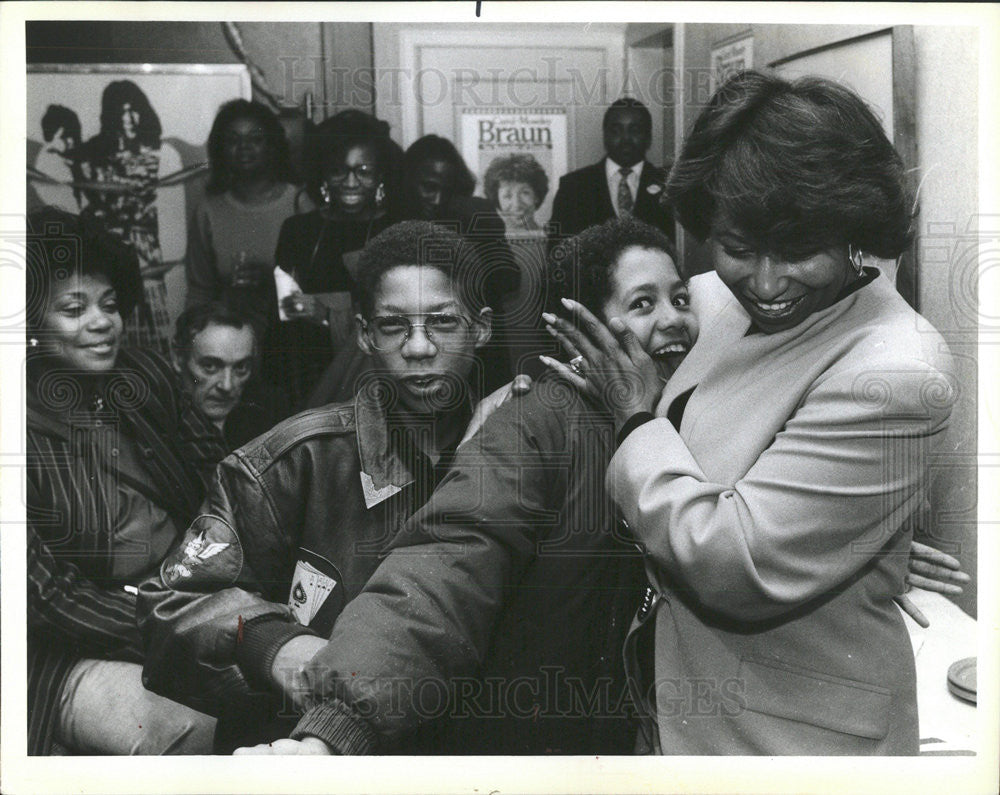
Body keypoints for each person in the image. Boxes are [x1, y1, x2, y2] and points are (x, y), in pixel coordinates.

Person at [541, 71, 957, 755]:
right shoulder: (714, 300)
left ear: (854, 231)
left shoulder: (898, 370)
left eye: (797, 250)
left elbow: (734, 563)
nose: (765, 284)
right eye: (738, 246)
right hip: (679, 702)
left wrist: (637, 423)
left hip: (786, 741)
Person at [138, 221, 493, 750]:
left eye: (443, 322)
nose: (419, 347)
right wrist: (272, 645)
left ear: (482, 328)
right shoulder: (293, 460)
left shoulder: (511, 453)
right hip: (309, 745)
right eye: (394, 326)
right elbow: (169, 604)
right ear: (364, 334)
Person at [26, 208, 224, 755]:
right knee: (192, 730)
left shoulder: (146, 375)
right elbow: (43, 597)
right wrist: (178, 629)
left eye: (109, 304)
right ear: (27, 323)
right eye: (74, 308)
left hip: (187, 591)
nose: (101, 321)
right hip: (66, 644)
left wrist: (222, 585)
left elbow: (223, 483)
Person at [261, 110, 401, 410]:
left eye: (363, 170)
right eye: (339, 170)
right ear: (323, 174)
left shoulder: (395, 230)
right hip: (308, 375)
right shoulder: (299, 230)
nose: (351, 182)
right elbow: (282, 311)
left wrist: (327, 314)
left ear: (380, 177)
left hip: (376, 381)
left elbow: (400, 314)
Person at [79, 79, 184, 354]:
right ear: (109, 115)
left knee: (159, 333)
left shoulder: (163, 153)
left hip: (149, 251)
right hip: (107, 250)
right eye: (121, 111)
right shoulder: (93, 154)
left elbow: (171, 215)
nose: (128, 117)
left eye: (134, 109)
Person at [184, 99, 309, 328]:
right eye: (233, 140)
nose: (244, 147)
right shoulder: (208, 210)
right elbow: (199, 291)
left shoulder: (299, 204)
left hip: (292, 341)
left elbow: (321, 295)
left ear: (271, 145)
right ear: (221, 148)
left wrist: (272, 282)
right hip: (229, 342)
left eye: (255, 139)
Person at [548, 97, 673, 240]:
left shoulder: (669, 186)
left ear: (648, 137)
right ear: (605, 135)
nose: (626, 139)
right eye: (616, 130)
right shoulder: (573, 186)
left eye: (635, 130)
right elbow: (557, 252)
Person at [171, 301, 286, 450]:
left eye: (240, 367)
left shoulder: (270, 416)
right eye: (210, 366)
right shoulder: (158, 426)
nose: (227, 386)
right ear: (178, 358)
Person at [483, 152, 549, 234]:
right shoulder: (486, 242)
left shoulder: (552, 239)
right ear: (497, 199)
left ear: (536, 196)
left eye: (525, 193)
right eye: (507, 196)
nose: (517, 204)